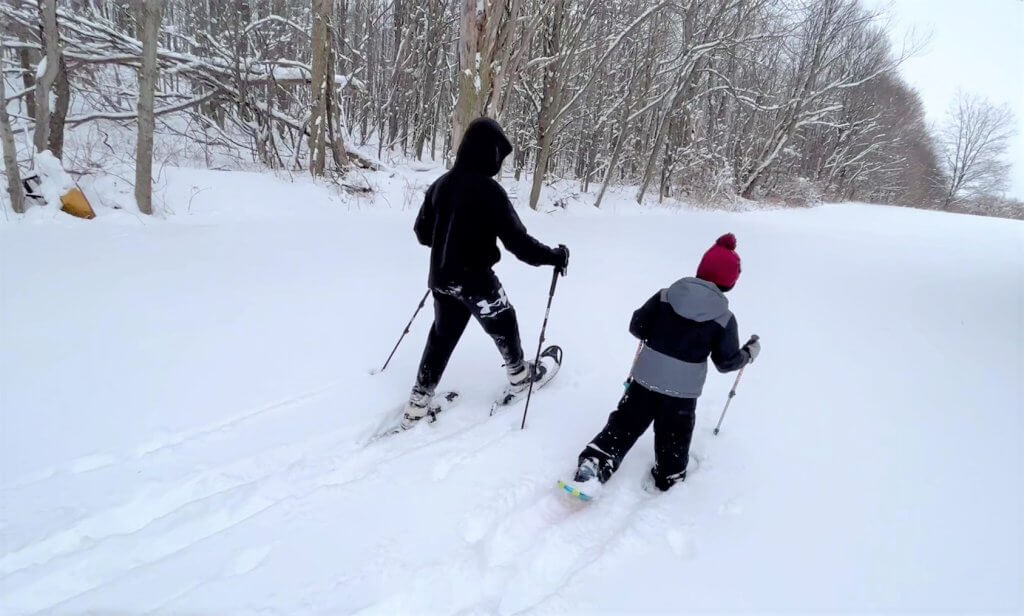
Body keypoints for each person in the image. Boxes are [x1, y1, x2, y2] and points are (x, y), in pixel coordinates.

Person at [402, 117, 569, 428]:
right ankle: (520, 377)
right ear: (488, 152)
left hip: (441, 279)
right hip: (476, 280)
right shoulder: (489, 191)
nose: (499, 163)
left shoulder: (441, 184)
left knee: (441, 335)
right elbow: (518, 243)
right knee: (504, 321)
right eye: (498, 156)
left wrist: (448, 242)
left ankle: (419, 401)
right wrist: (554, 257)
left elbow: (423, 233)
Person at [568, 233, 760, 495]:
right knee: (674, 434)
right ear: (729, 283)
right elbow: (726, 363)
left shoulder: (665, 296)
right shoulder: (724, 318)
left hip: (646, 377)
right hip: (682, 392)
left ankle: (596, 462)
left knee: (625, 422)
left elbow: (637, 326)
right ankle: (669, 476)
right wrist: (748, 353)